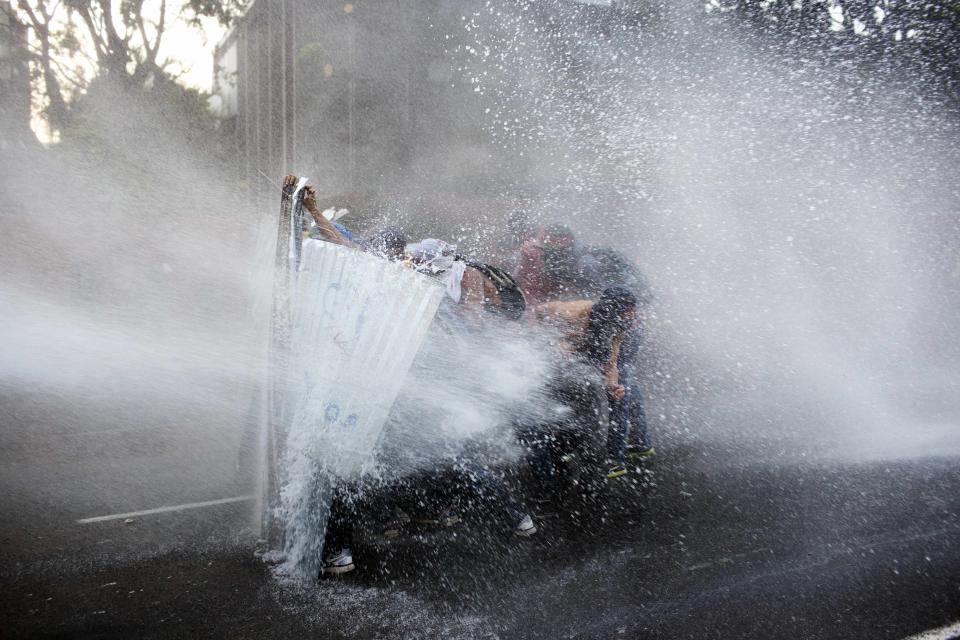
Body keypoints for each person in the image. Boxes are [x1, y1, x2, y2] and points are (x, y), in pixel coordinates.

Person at [534, 286, 638, 479]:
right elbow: (537, 312)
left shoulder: (619, 327)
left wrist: (613, 385)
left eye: (631, 313)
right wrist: (552, 342)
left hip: (582, 372)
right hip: (551, 366)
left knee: (591, 418)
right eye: (628, 312)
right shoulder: (575, 312)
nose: (631, 317)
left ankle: (585, 466)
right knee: (553, 415)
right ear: (614, 309)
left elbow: (610, 364)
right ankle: (551, 467)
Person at [283, 174, 407, 260]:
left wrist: (313, 209)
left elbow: (340, 240)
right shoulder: (363, 247)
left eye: (400, 253)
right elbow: (337, 238)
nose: (398, 256)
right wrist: (297, 195)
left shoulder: (379, 258)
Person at [407, 238, 526, 321]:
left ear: (434, 261)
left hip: (508, 311)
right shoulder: (446, 269)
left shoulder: (469, 275)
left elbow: (474, 318)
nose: (415, 262)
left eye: (419, 260)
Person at [517, 223, 581, 306]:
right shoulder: (531, 252)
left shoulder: (572, 253)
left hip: (549, 295)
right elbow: (524, 276)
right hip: (538, 293)